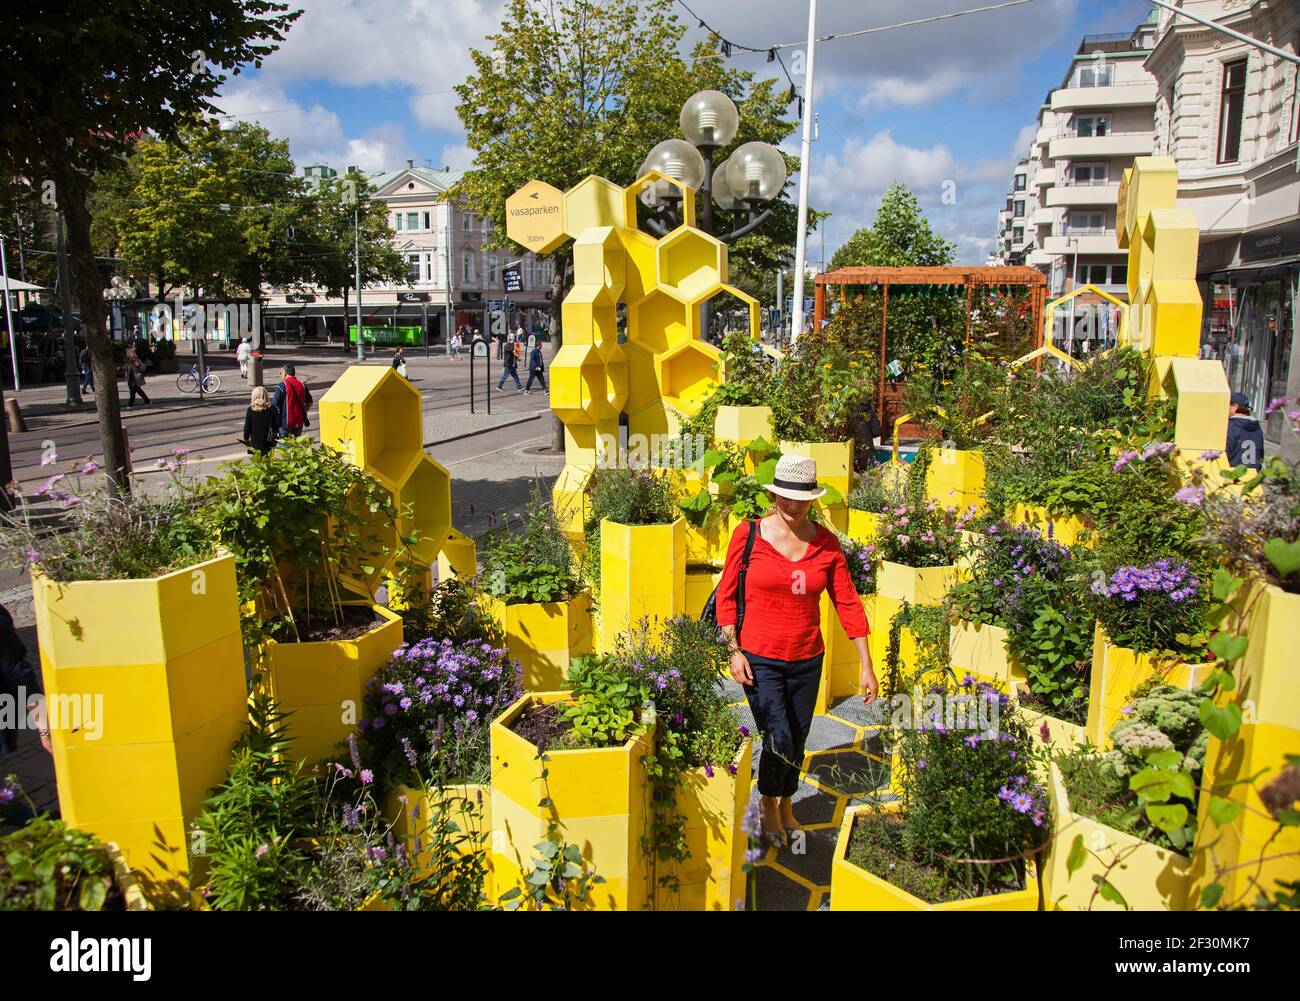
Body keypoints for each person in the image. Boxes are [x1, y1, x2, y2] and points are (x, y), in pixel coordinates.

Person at [716, 454, 876, 849]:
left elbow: (848, 603)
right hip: (759, 658)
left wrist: (867, 665)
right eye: (784, 497)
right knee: (779, 736)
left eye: (799, 499)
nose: (791, 505)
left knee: (799, 736)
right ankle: (769, 804)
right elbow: (726, 594)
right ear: (773, 495)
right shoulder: (748, 534)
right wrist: (733, 651)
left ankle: (787, 802)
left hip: (807, 658)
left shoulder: (826, 544)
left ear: (812, 499)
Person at [1226, 390, 1264, 471]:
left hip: (1235, 476)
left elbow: (1225, 454)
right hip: (1253, 476)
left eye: (1227, 405)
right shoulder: (1257, 427)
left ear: (1234, 407)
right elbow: (1260, 454)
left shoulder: (1231, 426)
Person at [272, 363, 312, 438]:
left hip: (285, 423)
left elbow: (274, 405)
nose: (280, 375)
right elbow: (310, 402)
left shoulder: (281, 386)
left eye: (281, 373)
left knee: (284, 448)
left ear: (285, 373)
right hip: (299, 423)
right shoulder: (302, 385)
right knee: (296, 447)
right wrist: (303, 411)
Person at [242, 385, 280, 455]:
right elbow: (277, 425)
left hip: (255, 444)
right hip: (268, 443)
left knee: (257, 463)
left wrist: (246, 438)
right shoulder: (272, 408)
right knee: (267, 463)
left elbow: (247, 427)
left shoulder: (250, 409)